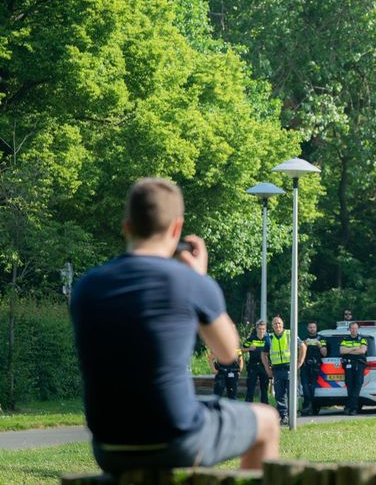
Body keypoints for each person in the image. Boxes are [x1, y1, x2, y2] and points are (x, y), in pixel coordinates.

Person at [70, 178, 279, 472]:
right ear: (176, 228)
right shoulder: (189, 282)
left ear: (127, 226)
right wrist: (201, 279)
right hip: (176, 438)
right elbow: (229, 352)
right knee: (268, 421)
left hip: (108, 445)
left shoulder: (86, 287)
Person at [262, 316, 306, 425]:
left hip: (289, 368)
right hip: (277, 370)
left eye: (279, 323)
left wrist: (300, 361)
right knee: (279, 395)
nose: (277, 325)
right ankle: (284, 416)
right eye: (275, 324)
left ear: (282, 324)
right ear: (272, 326)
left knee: (292, 393)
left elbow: (303, 346)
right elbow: (263, 354)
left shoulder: (290, 334)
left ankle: (293, 415)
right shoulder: (269, 338)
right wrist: (267, 368)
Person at [339, 322, 369, 415]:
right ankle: (351, 407)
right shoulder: (345, 339)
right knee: (350, 386)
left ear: (358, 329)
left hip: (359, 365)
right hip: (348, 365)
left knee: (357, 385)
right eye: (352, 328)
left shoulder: (362, 339)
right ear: (349, 329)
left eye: (355, 328)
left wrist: (349, 350)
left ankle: (351, 407)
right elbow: (342, 351)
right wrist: (355, 348)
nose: (354, 330)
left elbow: (362, 351)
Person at [300, 321, 327, 416]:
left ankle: (309, 406)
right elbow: (298, 352)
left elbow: (324, 353)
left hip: (315, 365)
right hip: (305, 365)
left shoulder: (321, 339)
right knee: (305, 385)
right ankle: (309, 405)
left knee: (312, 387)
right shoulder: (304, 338)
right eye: (310, 327)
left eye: (313, 327)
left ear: (316, 328)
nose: (312, 329)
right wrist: (304, 346)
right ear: (307, 328)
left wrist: (319, 345)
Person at [242, 320, 270, 404]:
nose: (261, 331)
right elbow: (240, 350)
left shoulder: (268, 339)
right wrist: (249, 349)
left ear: (265, 330)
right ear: (256, 329)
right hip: (253, 366)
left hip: (264, 366)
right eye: (260, 329)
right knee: (250, 387)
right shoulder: (251, 339)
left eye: (263, 329)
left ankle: (264, 406)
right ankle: (248, 406)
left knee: (264, 388)